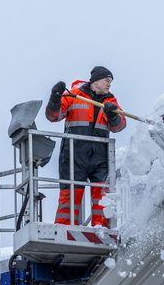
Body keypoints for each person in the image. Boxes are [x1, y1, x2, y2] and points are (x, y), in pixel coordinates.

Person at [45, 66, 126, 227]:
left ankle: (101, 229)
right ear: (96, 81)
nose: (109, 84)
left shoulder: (111, 101)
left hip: (100, 157)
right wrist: (54, 99)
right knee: (71, 194)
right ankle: (64, 228)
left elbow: (119, 126)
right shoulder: (75, 95)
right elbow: (53, 116)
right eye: (107, 80)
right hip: (75, 154)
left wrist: (112, 115)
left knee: (102, 196)